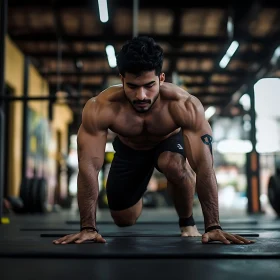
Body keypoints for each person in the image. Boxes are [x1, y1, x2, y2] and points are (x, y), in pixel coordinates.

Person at [53, 36, 254, 245]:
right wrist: (88, 227)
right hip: (130, 150)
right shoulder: (100, 108)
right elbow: (88, 167)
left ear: (161, 78)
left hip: (168, 143)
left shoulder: (184, 105)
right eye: (132, 86)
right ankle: (140, 186)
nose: (141, 95)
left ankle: (187, 222)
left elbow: (204, 166)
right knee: (124, 219)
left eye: (149, 85)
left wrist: (213, 225)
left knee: (173, 164)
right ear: (121, 79)